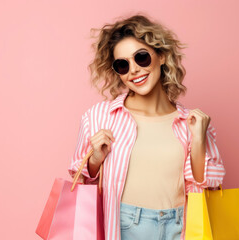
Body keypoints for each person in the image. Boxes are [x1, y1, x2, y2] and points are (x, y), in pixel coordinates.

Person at [68, 13, 226, 240]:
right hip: (124, 227)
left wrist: (199, 140)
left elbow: (204, 190)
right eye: (123, 65)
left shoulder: (190, 122)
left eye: (141, 58)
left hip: (179, 228)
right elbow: (83, 185)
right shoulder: (100, 116)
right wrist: (94, 160)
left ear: (161, 56)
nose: (133, 70)